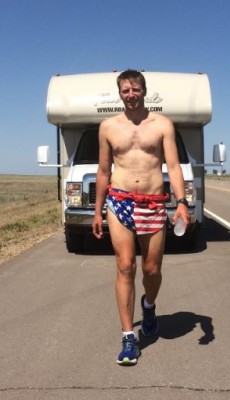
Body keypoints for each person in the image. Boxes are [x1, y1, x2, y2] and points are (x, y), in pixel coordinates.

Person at [92, 69, 190, 366]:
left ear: (144, 91)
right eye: (125, 90)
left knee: (151, 270)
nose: (130, 95)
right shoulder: (108, 127)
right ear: (119, 93)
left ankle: (148, 306)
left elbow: (173, 167)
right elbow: (104, 171)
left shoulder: (162, 125)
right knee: (124, 266)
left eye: (135, 89)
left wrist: (182, 202)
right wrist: (97, 210)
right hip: (119, 202)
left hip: (153, 204)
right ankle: (128, 337)